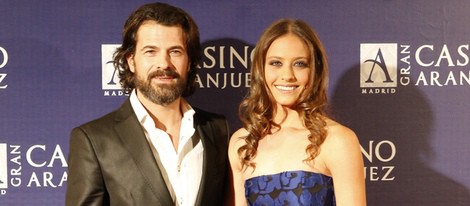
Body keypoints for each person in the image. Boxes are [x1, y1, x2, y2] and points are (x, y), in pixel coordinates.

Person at [65, 2, 229, 206]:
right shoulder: (94, 140)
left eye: (175, 51)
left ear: (189, 61)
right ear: (131, 60)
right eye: (151, 51)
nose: (164, 64)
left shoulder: (219, 129)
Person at [227, 19, 366, 205]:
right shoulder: (243, 143)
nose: (287, 76)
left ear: (314, 71)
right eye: (276, 63)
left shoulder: (337, 140)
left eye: (300, 64)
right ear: (261, 70)